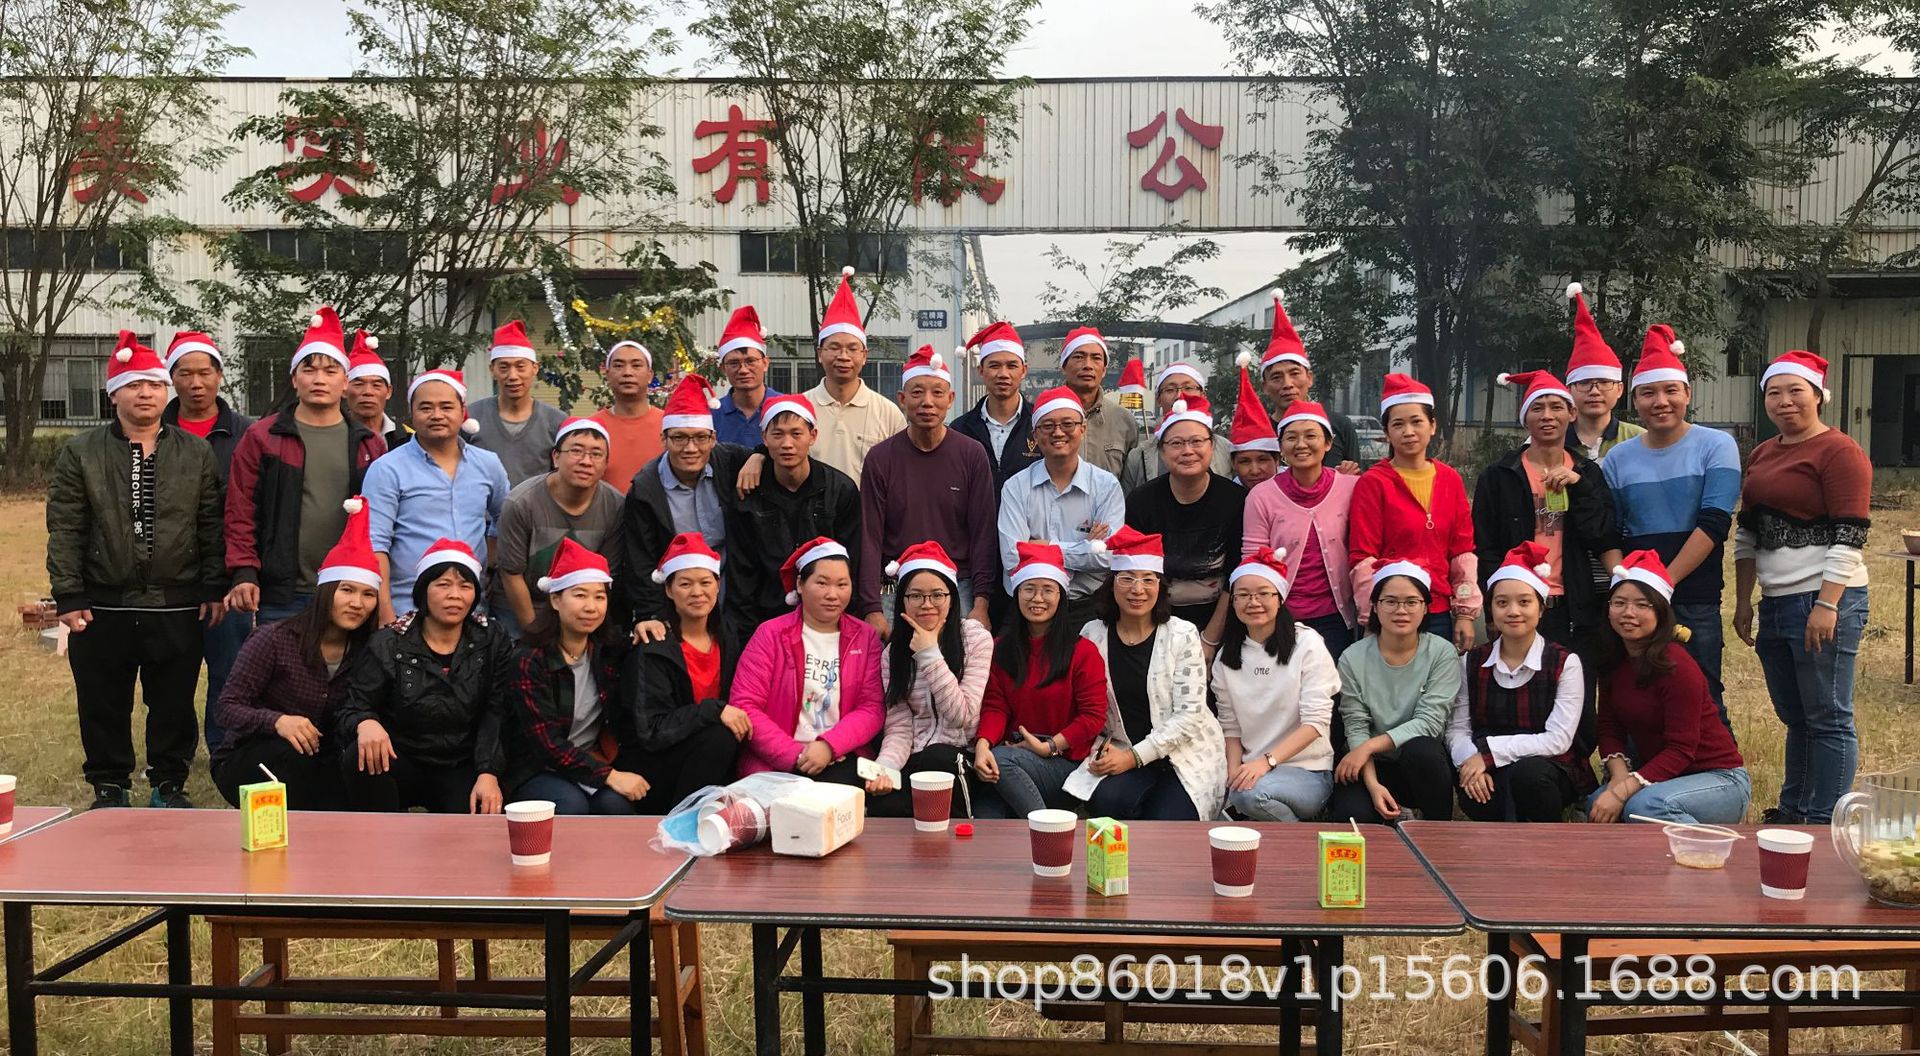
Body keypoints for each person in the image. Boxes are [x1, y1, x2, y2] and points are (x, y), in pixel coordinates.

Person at [48, 332, 226, 810]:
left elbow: (210, 523)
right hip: (102, 602)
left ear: (166, 392)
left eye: (153, 384)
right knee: (102, 699)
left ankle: (169, 783)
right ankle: (109, 785)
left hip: (177, 601)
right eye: (133, 385)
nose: (145, 393)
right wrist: (69, 593)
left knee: (173, 701)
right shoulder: (81, 452)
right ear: (114, 393)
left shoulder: (195, 452)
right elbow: (66, 526)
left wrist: (212, 583)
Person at [1733, 351, 1870, 825]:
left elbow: (1849, 535)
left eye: (1796, 391)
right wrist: (1744, 600)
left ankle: (1822, 819)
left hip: (1823, 597)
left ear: (1818, 395)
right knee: (1797, 716)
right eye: (1774, 392)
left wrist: (1827, 604)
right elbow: (1747, 533)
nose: (1785, 401)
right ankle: (1793, 811)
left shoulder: (1840, 451)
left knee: (1828, 717)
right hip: (1776, 600)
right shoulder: (1762, 454)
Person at [1601, 323, 1741, 725]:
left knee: (1703, 696)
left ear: (1687, 394)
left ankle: (1716, 764)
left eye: (1670, 391)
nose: (1660, 402)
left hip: (1693, 595)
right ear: (1634, 400)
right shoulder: (1618, 459)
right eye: (1648, 393)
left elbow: (1714, 523)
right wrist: (1627, 587)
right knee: (1637, 697)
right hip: (1638, 599)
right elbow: (1608, 531)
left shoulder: (1717, 445)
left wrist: (1663, 582)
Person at [211, 497, 379, 810]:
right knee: (293, 757)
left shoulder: (370, 650)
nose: (357, 603)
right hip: (255, 755)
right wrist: (277, 721)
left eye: (368, 594)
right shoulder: (273, 639)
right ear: (326, 591)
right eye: (346, 590)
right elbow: (227, 708)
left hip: (323, 760)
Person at [226, 306, 385, 626]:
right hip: (282, 593)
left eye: (330, 371)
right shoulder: (263, 437)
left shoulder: (369, 444)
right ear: (294, 379)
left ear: (345, 382)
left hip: (348, 589)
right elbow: (240, 509)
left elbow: (382, 521)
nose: (319, 379)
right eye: (309, 370)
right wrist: (244, 571)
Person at [337, 538, 515, 814]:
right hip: (401, 756)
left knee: (480, 816)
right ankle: (378, 839)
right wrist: (365, 722)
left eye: (465, 586)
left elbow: (496, 710)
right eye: (443, 585)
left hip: (462, 763)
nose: (454, 595)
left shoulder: (491, 638)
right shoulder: (389, 642)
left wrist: (488, 772)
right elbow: (354, 706)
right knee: (358, 757)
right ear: (423, 591)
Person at [1071, 529, 1225, 821]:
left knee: (1167, 823)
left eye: (1147, 580)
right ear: (1112, 585)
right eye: (1127, 579)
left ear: (1160, 586)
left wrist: (1134, 758)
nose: (1137, 590)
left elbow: (1189, 717)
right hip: (1122, 747)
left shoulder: (1182, 634)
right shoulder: (1092, 634)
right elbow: (1087, 706)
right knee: (1106, 803)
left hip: (1183, 750)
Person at [1588, 551, 1750, 825]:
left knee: (1643, 807)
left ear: (1661, 612)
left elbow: (1681, 749)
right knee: (1597, 804)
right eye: (1619, 603)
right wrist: (1618, 779)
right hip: (1664, 779)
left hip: (1718, 779)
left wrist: (1624, 791)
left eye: (1642, 605)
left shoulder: (1676, 665)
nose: (1629, 613)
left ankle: (1712, 847)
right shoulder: (1612, 660)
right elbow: (1608, 728)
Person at [1472, 370, 1623, 655]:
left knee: (1575, 680)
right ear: (1525, 418)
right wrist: (1493, 608)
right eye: (1537, 408)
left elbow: (1602, 536)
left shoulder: (1587, 471)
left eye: (1556, 407)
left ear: (1572, 413)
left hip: (1574, 606)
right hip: (1518, 604)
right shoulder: (1499, 476)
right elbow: (1485, 547)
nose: (1547, 416)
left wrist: (1580, 488)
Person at [1446, 543, 1595, 823]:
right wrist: (1469, 762)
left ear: (1541, 608)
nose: (1513, 611)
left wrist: (1489, 754)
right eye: (1502, 603)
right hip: (1486, 767)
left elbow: (1558, 739)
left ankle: (1546, 838)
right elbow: (1458, 727)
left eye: (1524, 602)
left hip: (1546, 766)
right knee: (1480, 795)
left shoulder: (1565, 662)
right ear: (1491, 609)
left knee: (1529, 776)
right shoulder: (1471, 661)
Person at [161, 330, 255, 763]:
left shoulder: (247, 434)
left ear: (219, 375)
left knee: (230, 667)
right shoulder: (154, 431)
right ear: (172, 378)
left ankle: (224, 749)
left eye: (205, 372)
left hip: (229, 572)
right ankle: (173, 756)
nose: (196, 383)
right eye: (185, 374)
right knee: (171, 674)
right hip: (171, 576)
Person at [858, 346, 998, 633]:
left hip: (957, 583)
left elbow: (983, 533)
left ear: (950, 399)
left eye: (937, 393)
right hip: (895, 584)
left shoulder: (971, 454)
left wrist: (982, 603)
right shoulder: (880, 458)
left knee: (960, 659)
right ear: (902, 399)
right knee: (892, 660)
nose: (927, 402)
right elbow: (870, 537)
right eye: (917, 393)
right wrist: (872, 607)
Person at [504, 539, 646, 815]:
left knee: (617, 806)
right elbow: (547, 744)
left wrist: (646, 624)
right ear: (555, 599)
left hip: (592, 757)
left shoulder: (607, 650)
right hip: (538, 767)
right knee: (571, 806)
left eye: (599, 597)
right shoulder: (529, 660)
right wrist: (610, 776)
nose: (591, 607)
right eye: (580, 595)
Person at [729, 538, 885, 783]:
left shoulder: (865, 638)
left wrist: (829, 746)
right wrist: (797, 755)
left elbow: (871, 707)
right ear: (800, 584)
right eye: (822, 583)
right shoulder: (770, 634)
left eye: (842, 584)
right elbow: (746, 705)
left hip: (842, 756)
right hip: (776, 760)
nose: (832, 594)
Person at [971, 543, 1110, 818]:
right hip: (1013, 756)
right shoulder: (1001, 648)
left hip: (1064, 761)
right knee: (987, 813)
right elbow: (996, 706)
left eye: (1047, 590)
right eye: (1029, 589)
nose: (1037, 598)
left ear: (1061, 596)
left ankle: (1048, 830)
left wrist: (1049, 747)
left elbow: (1093, 717)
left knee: (1001, 761)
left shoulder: (1082, 651)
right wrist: (982, 745)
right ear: (1017, 594)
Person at [363, 368, 511, 625]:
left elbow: (506, 521)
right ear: (412, 413)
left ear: (462, 410)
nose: (437, 415)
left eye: (446, 407)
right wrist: (385, 613)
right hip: (407, 608)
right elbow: (376, 543)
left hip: (471, 608)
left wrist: (490, 565)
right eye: (426, 408)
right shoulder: (387, 469)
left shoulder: (488, 464)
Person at [1347, 374, 1479, 652]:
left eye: (1417, 421)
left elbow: (1461, 552)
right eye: (1398, 424)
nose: (1408, 431)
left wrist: (1465, 613)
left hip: (1438, 610)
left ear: (1432, 426)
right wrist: (1372, 617)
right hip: (1391, 613)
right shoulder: (1373, 483)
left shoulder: (1450, 479)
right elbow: (1363, 556)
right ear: (1386, 433)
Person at [719, 394, 863, 645]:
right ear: (764, 438)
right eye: (778, 434)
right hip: (765, 620)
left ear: (813, 436)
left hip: (828, 619)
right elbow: (741, 573)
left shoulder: (840, 489)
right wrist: (747, 637)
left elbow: (854, 562)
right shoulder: (748, 493)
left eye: (796, 434)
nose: (787, 444)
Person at [866, 542, 993, 818]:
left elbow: (963, 716)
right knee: (882, 801)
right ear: (903, 600)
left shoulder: (976, 639)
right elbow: (899, 727)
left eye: (937, 595)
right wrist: (885, 768)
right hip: (913, 756)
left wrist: (929, 654)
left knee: (938, 761)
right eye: (916, 596)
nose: (927, 604)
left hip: (961, 756)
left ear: (952, 597)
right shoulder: (892, 653)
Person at [1326, 562, 1459, 824]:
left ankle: (1438, 830)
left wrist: (1368, 746)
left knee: (1423, 750)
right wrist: (1373, 784)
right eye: (1390, 601)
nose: (1401, 610)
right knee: (1352, 816)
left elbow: (1429, 722)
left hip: (1418, 764)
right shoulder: (1353, 657)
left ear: (1426, 607)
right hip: (1371, 763)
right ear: (1375, 606)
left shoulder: (1442, 653)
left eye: (1411, 602)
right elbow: (1356, 725)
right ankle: (1389, 812)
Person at [627, 534, 750, 811]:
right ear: (669, 590)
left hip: (712, 757)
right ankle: (682, 821)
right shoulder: (654, 644)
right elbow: (652, 731)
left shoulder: (728, 636)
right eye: (685, 584)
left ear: (718, 585)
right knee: (720, 736)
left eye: (706, 582)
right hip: (660, 763)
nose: (697, 592)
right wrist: (714, 710)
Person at [1214, 550, 1339, 822]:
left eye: (1263, 594)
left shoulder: (1307, 644)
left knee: (1249, 796)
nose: (1253, 602)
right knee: (1220, 807)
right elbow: (1231, 727)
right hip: (1253, 770)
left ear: (1280, 598)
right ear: (1233, 602)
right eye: (1243, 595)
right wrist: (1233, 773)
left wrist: (1266, 762)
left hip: (1307, 771)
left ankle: (1303, 841)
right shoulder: (1226, 657)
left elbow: (1315, 723)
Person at [620, 373, 752, 626]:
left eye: (700, 437)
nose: (690, 448)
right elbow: (640, 562)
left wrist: (759, 458)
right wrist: (654, 616)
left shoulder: (731, 464)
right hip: (675, 609)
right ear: (664, 439)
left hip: (734, 604)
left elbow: (775, 455)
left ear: (713, 439)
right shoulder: (646, 490)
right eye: (679, 437)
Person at [997, 385, 1125, 631]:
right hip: (1029, 606)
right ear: (1035, 435)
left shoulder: (1106, 486)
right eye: (1047, 426)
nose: (1058, 432)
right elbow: (1013, 557)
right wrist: (1084, 548)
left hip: (1087, 606)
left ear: (1083, 429)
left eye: (1068, 424)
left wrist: (1042, 546)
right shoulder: (1016, 487)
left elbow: (1109, 555)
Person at [1124, 393, 1243, 653]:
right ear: (1162, 451)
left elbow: (1236, 575)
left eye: (1197, 441)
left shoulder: (1235, 501)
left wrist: (1210, 640)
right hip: (1157, 618)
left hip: (1222, 619)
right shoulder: (1141, 502)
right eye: (1176, 443)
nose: (1188, 451)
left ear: (1212, 446)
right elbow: (1137, 574)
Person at [1243, 399, 1359, 659]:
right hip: (1280, 615)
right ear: (1281, 446)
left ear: (1328, 443)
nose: (1301, 444)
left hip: (1336, 617)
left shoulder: (1350, 488)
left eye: (1311, 436)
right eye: (1291, 437)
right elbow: (1252, 560)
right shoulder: (1261, 496)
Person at [494, 417, 625, 636]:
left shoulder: (616, 506)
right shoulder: (521, 503)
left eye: (596, 454)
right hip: (526, 608)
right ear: (555, 457)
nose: (586, 461)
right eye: (576, 451)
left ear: (605, 464)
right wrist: (535, 632)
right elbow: (511, 573)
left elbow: (604, 578)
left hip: (582, 608)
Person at [803, 267, 906, 486]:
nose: (843, 356)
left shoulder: (888, 413)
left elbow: (900, 474)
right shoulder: (800, 408)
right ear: (820, 354)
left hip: (866, 508)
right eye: (834, 348)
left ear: (864, 356)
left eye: (852, 349)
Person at [1258, 294, 1361, 472]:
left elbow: (1358, 479)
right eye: (1276, 377)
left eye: (1294, 373)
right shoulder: (1257, 433)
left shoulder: (1340, 426)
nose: (1287, 384)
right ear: (1265, 387)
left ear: (1310, 378)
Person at [467, 319, 567, 487]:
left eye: (520, 367)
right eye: (504, 367)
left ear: (535, 368)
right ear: (492, 370)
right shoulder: (471, 417)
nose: (513, 376)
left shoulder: (556, 421)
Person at [949, 321, 1039, 488]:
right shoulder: (960, 430)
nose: (1003, 374)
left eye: (1012, 366)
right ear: (981, 370)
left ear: (1024, 370)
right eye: (994, 365)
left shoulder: (1041, 424)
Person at [1117, 362, 1231, 493]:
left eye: (1188, 388)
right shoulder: (1138, 457)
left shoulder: (1226, 450)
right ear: (1158, 399)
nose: (1179, 396)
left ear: (1203, 395)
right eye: (1170, 390)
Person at [1563, 283, 1644, 461]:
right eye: (1584, 383)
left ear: (1620, 389)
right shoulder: (1549, 441)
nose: (1594, 391)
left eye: (1604, 382)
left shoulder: (1640, 441)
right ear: (1568, 390)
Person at [1054, 326, 1138, 476]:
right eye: (1079, 357)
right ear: (1063, 366)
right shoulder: (1045, 416)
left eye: (1096, 358)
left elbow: (1130, 481)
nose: (1088, 365)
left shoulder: (1124, 421)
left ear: (1104, 370)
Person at [592, 339, 665, 496]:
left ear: (650, 375)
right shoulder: (591, 428)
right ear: (607, 374)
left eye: (636, 365)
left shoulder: (669, 426)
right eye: (619, 366)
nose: (627, 372)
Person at [714, 305, 782, 447]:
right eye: (734, 363)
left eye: (750, 361)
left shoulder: (785, 408)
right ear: (723, 369)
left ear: (765, 363)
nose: (743, 370)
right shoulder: (712, 415)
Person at [346, 329, 410, 450]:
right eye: (359, 384)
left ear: (388, 392)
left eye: (376, 385)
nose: (368, 392)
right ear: (344, 389)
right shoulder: (332, 436)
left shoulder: (408, 438)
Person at [1225, 361, 1281, 488]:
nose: (1255, 471)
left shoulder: (1295, 491)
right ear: (1233, 464)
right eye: (1245, 462)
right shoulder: (1229, 495)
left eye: (1262, 460)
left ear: (1277, 460)